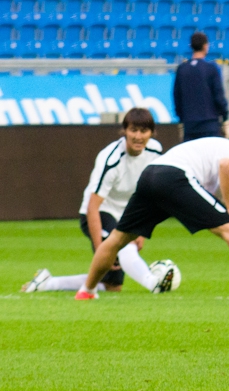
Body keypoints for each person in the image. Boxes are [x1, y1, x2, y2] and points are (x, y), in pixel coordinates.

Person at [75, 138, 229, 302]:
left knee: (118, 238)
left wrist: (223, 208)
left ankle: (87, 291)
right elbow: (226, 164)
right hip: (174, 176)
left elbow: (213, 188)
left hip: (151, 174)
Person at [22, 108, 174, 294]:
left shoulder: (155, 151)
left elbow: (148, 194)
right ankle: (154, 284)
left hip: (126, 214)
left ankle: (48, 283)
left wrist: (140, 231)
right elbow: (93, 206)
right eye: (133, 130)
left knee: (112, 285)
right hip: (98, 213)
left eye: (144, 131)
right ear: (124, 131)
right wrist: (101, 248)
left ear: (152, 133)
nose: (138, 136)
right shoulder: (110, 159)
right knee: (121, 244)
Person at [173, 31, 229, 142]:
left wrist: (181, 122)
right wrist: (226, 120)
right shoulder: (211, 68)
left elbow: (177, 97)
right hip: (209, 125)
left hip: (189, 126)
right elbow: (219, 97)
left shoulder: (182, 69)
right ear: (205, 46)